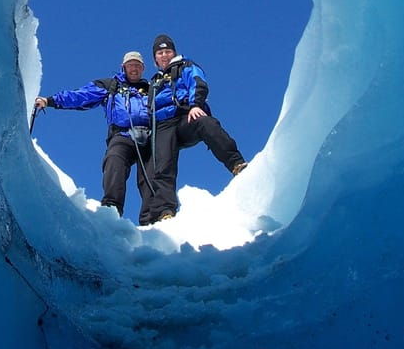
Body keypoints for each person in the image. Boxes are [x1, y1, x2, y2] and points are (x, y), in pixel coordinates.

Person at [34, 51, 155, 223]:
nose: (134, 69)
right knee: (114, 160)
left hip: (149, 136)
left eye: (137, 66)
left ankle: (152, 219)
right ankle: (111, 212)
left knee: (153, 173)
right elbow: (81, 95)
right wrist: (51, 100)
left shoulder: (152, 89)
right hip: (122, 134)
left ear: (143, 69)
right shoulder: (111, 85)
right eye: (130, 65)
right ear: (123, 67)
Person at [146, 34, 247, 223]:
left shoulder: (185, 66)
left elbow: (198, 83)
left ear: (174, 52)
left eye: (168, 51)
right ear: (155, 59)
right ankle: (165, 211)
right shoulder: (153, 83)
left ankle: (236, 164)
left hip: (186, 115)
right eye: (160, 53)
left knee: (206, 123)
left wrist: (196, 105)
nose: (165, 55)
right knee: (162, 164)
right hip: (163, 125)